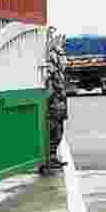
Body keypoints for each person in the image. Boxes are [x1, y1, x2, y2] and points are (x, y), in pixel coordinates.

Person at [41, 27, 69, 172]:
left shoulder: (59, 74)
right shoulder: (52, 76)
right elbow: (49, 92)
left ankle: (52, 158)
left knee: (58, 133)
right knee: (53, 134)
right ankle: (49, 159)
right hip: (54, 109)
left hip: (59, 109)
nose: (65, 61)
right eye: (62, 57)